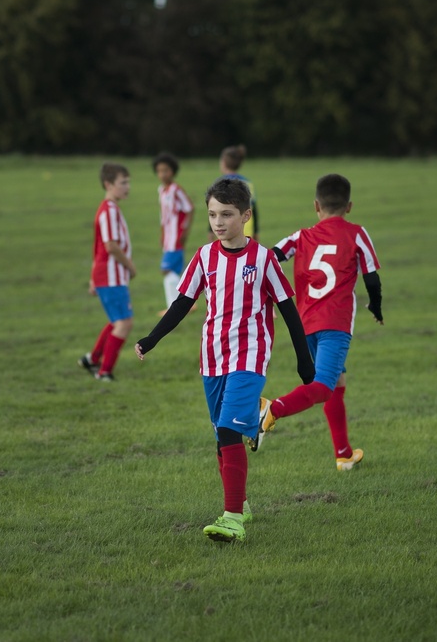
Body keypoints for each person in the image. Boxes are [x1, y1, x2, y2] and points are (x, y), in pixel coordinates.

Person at [134, 177, 314, 543]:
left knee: (230, 430)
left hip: (250, 356)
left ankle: (232, 518)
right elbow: (182, 303)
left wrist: (304, 359)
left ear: (245, 216)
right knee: (221, 435)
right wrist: (151, 339)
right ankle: (241, 503)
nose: (218, 222)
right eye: (213, 214)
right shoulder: (204, 257)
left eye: (227, 214)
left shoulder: (263, 259)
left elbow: (288, 309)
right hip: (212, 358)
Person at [254, 174, 383, 471]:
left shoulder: (300, 236)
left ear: (316, 205)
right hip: (335, 324)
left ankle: (344, 454)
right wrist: (375, 307)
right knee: (324, 386)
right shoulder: (356, 233)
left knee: (337, 383)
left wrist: (264, 297)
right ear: (349, 206)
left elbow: (269, 258)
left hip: (305, 324)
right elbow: (372, 278)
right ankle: (272, 408)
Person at [78, 163, 137, 382]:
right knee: (124, 323)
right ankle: (104, 372)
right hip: (111, 275)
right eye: (123, 183)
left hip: (106, 275)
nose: (127, 187)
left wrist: (93, 277)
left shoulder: (108, 208)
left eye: (128, 182)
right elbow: (110, 245)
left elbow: (98, 247)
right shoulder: (109, 210)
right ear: (108, 184)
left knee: (116, 321)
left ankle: (93, 359)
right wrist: (129, 265)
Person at [153, 152, 193, 316]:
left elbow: (189, 208)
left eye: (166, 170)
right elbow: (163, 216)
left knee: (166, 269)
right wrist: (162, 233)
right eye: (159, 171)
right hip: (168, 237)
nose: (162, 174)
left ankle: (183, 303)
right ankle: (176, 306)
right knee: (172, 272)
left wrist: (185, 230)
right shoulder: (162, 190)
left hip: (176, 236)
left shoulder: (176, 190)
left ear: (173, 171)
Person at [206, 144, 257, 243]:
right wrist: (256, 231)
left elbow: (214, 208)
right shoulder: (247, 183)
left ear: (223, 163)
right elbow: (254, 209)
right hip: (247, 227)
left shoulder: (220, 184)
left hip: (227, 228)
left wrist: (210, 231)